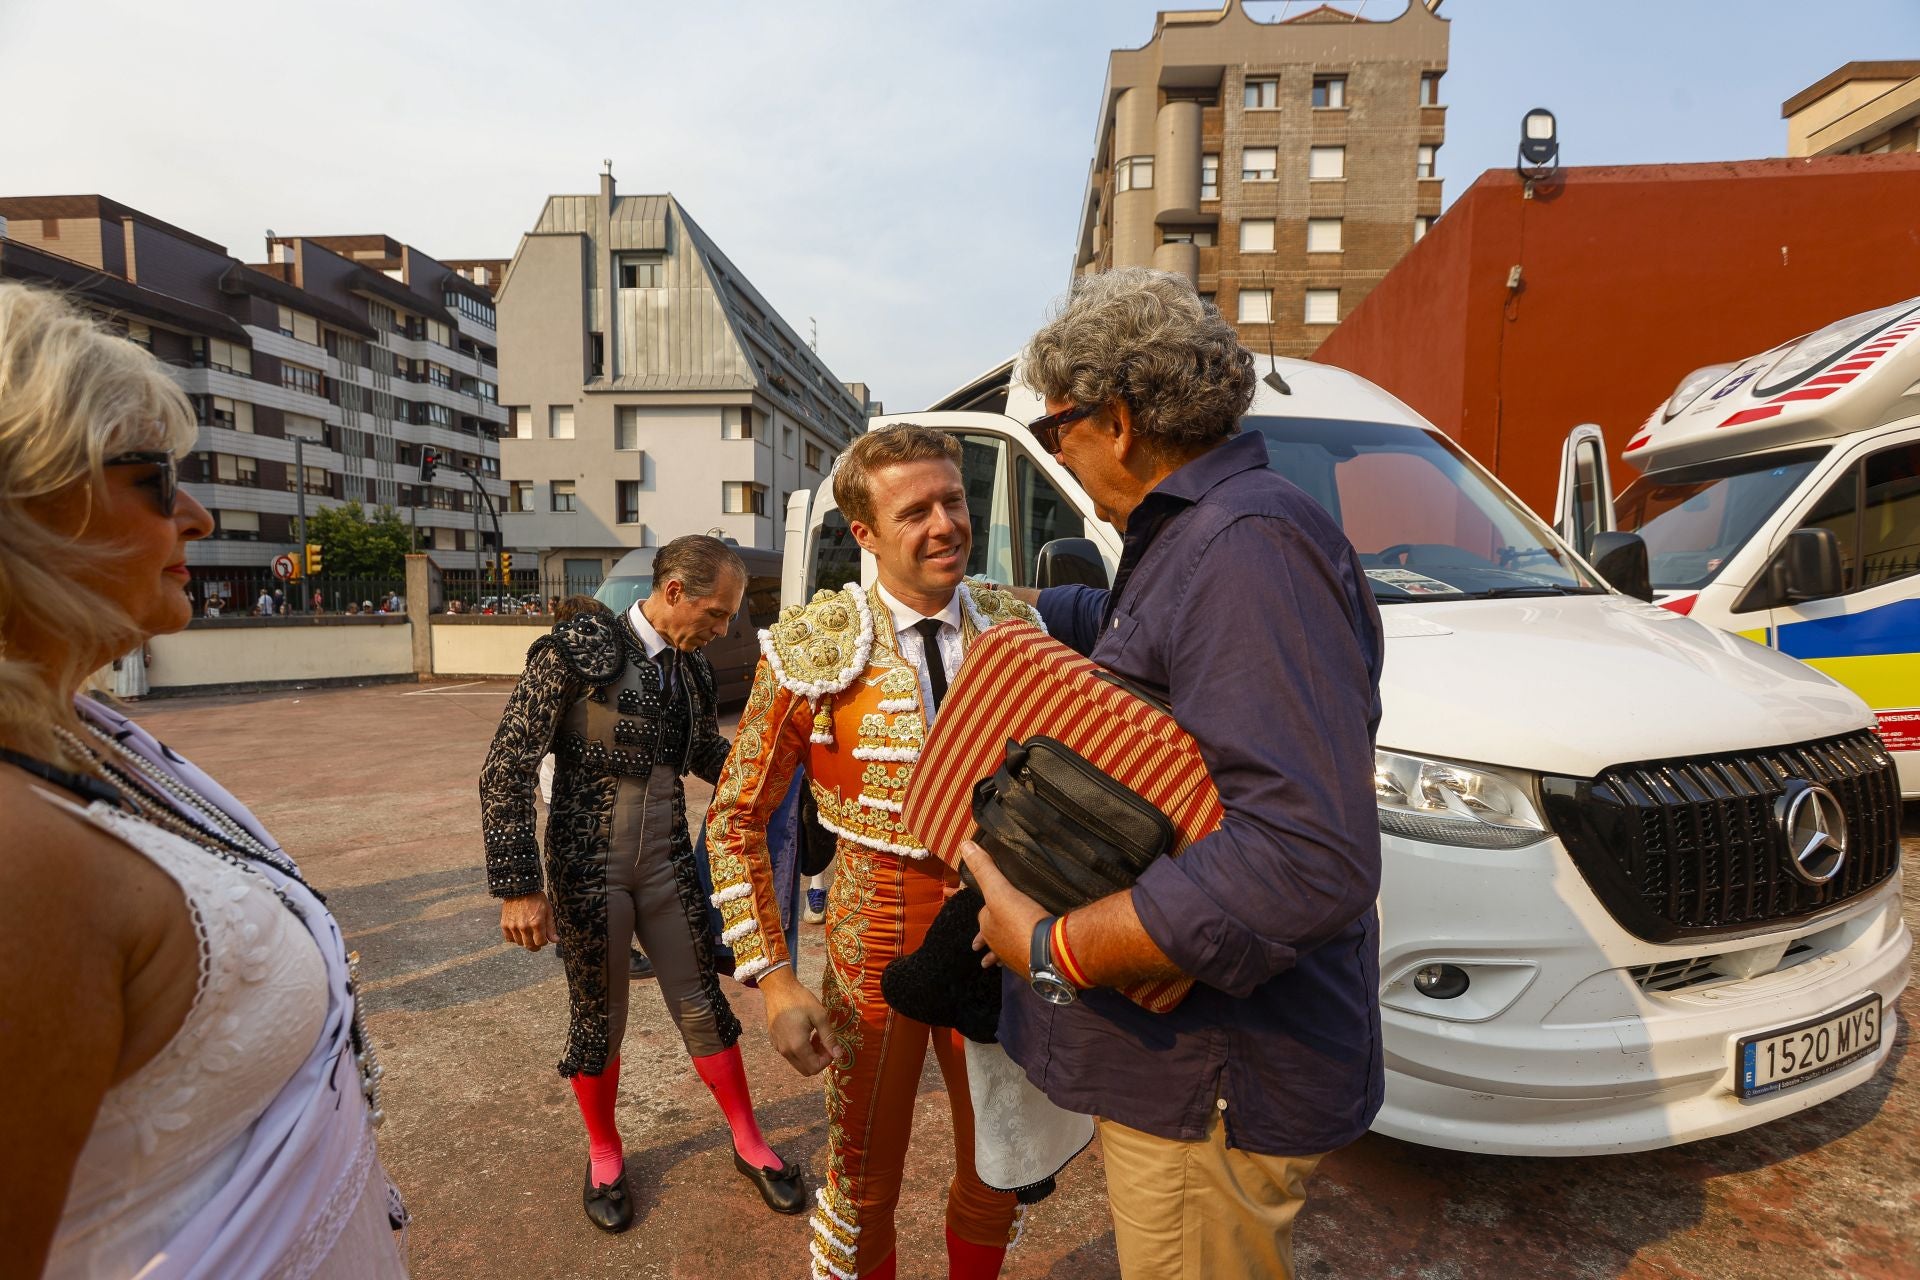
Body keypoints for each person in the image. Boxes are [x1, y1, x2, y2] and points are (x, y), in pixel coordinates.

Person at [964, 269, 1385, 1280]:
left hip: (1217, 1071)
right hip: (1200, 1066)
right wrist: (1028, 613)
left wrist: (1056, 945)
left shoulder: (1244, 547)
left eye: (1057, 427)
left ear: (1114, 418)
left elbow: (1303, 856)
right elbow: (1156, 673)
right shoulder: (1204, 535)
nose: (1057, 452)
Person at [0, 282, 407, 1278]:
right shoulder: (18, 858)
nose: (196, 511)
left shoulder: (82, 736)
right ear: (23, 501)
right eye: (152, 478)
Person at [704, 426, 1042, 1280]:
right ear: (863, 534)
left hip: (993, 925)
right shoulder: (813, 647)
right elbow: (737, 816)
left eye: (954, 502)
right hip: (871, 925)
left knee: (999, 1166)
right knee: (860, 1177)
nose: (944, 525)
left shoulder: (1018, 624)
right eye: (915, 511)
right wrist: (774, 978)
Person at [479, 535, 803, 1233]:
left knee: (702, 1005)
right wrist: (517, 885)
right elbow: (505, 767)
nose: (721, 631)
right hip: (586, 865)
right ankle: (604, 1154)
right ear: (675, 592)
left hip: (662, 863)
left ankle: (750, 1143)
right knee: (600, 1018)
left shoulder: (687, 672)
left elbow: (704, 753)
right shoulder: (573, 652)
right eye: (717, 615)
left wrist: (783, 776)